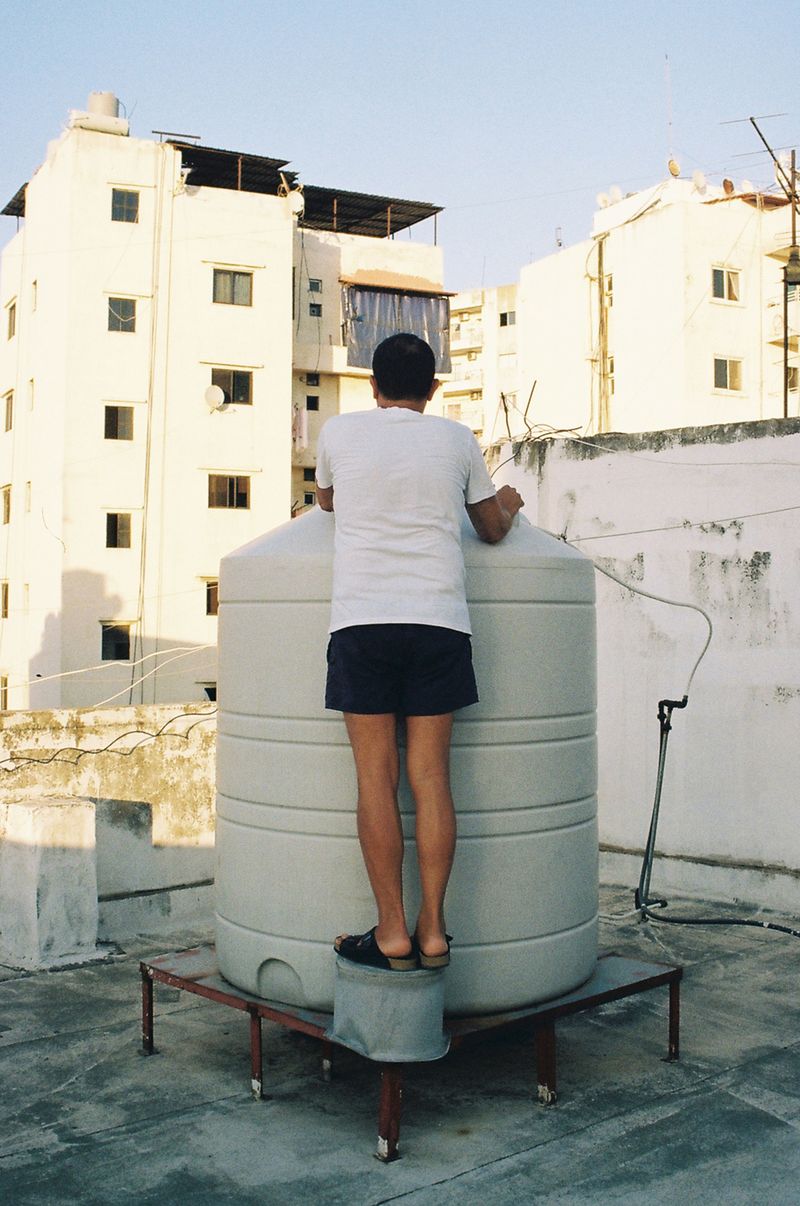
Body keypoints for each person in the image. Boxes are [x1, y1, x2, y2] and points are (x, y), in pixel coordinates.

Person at [315, 333, 523, 972]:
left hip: (363, 624)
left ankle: (392, 933)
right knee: (431, 779)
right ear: (433, 389)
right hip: (438, 622)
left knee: (374, 777)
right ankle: (435, 929)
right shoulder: (457, 440)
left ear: (371, 387)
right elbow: (489, 529)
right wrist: (509, 503)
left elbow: (327, 500)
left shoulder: (339, 433)